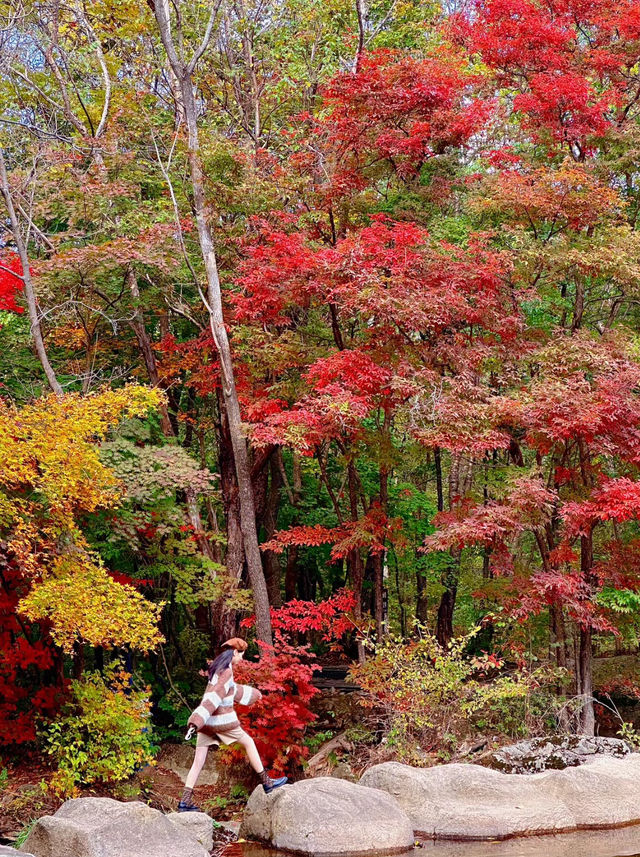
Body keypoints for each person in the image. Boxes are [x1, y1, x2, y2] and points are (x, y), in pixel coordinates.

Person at [178, 637, 287, 812]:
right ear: (235, 652)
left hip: (207, 723)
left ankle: (185, 801)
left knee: (198, 761)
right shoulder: (226, 672)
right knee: (249, 742)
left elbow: (231, 690)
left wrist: (254, 694)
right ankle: (267, 783)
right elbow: (213, 697)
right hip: (221, 722)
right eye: (241, 655)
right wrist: (196, 720)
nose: (242, 659)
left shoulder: (218, 669)